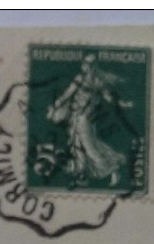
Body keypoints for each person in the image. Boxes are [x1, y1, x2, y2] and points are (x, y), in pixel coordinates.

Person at [45, 53, 133, 187]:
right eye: (83, 63)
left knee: (89, 147)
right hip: (76, 116)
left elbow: (108, 97)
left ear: (92, 66)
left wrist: (122, 104)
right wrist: (56, 105)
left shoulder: (97, 81)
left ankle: (112, 170)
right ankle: (82, 174)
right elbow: (68, 94)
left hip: (84, 118)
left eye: (86, 64)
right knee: (78, 145)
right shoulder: (84, 79)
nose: (83, 66)